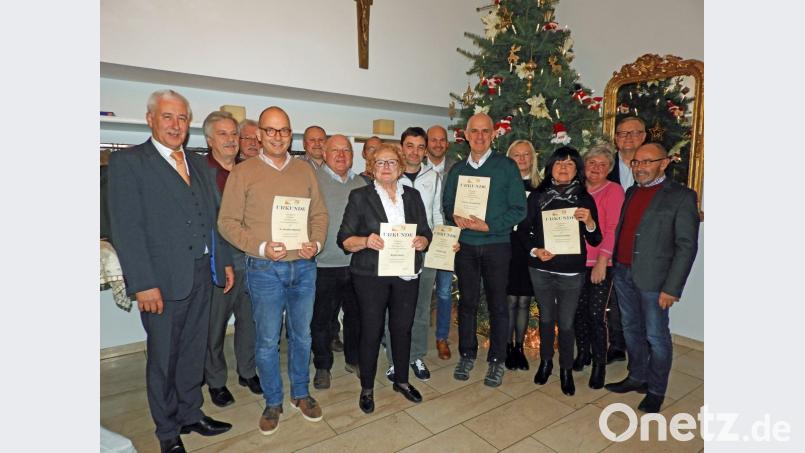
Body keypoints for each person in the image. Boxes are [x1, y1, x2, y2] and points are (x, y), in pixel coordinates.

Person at [108, 90, 234, 453]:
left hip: (201, 274)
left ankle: (191, 413)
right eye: (168, 117)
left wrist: (222, 260)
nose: (176, 125)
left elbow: (212, 218)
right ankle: (167, 432)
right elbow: (127, 229)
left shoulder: (196, 162)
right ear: (151, 119)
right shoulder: (129, 163)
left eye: (182, 118)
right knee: (164, 357)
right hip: (161, 282)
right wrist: (143, 284)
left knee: (194, 350)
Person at [218, 106, 329, 435]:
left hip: (304, 268)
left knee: (302, 335)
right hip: (265, 269)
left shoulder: (305, 171)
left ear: (289, 134)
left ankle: (300, 393)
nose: (278, 136)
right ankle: (273, 400)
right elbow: (226, 223)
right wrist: (262, 247)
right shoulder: (244, 172)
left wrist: (316, 244)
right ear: (260, 135)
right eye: (271, 130)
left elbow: (319, 215)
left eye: (284, 130)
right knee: (266, 341)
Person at [337, 143, 432, 414]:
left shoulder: (412, 196)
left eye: (392, 162)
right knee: (372, 329)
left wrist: (423, 240)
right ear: (372, 168)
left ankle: (401, 380)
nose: (387, 167)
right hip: (370, 275)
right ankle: (367, 387)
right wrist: (366, 240)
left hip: (406, 273)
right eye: (380, 163)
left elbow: (425, 231)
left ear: (401, 166)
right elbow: (344, 239)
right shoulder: (360, 196)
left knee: (402, 328)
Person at [604, 143, 699, 413]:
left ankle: (656, 390)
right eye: (636, 162)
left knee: (656, 336)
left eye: (647, 162)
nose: (640, 167)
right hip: (623, 271)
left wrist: (672, 288)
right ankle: (637, 376)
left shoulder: (682, 196)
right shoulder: (632, 192)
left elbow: (686, 246)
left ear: (664, 163)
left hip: (655, 281)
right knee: (631, 329)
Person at [442, 113, 527, 388]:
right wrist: (454, 216)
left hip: (496, 246)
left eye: (485, 131)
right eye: (474, 131)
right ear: (466, 135)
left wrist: (488, 225)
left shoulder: (506, 167)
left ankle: (497, 360)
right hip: (465, 247)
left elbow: (519, 209)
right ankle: (467, 353)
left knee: (497, 305)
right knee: (466, 303)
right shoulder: (457, 170)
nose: (479, 136)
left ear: (493, 135)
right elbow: (447, 205)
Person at [525, 146, 602, 397]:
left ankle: (566, 369)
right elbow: (524, 233)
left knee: (566, 323)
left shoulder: (583, 197)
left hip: (571, 272)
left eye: (570, 164)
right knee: (546, 318)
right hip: (541, 268)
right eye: (559, 163)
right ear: (550, 168)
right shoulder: (537, 196)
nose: (564, 168)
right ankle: (546, 362)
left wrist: (589, 222)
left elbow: (596, 238)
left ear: (576, 170)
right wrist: (536, 250)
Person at [201, 111, 261, 407]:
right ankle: (215, 380)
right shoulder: (198, 172)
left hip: (250, 258)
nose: (230, 140)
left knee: (250, 321)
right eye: (222, 134)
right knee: (215, 324)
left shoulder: (248, 171)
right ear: (209, 139)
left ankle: (247, 371)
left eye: (233, 134)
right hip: (217, 262)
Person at [383, 127, 445, 383]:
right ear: (401, 147)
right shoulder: (390, 176)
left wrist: (442, 244)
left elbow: (438, 215)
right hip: (395, 254)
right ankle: (393, 360)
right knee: (393, 309)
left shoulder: (434, 177)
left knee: (420, 308)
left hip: (425, 252)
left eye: (421, 146)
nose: (415, 152)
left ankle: (416, 355)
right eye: (410, 146)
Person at [310, 135, 367, 390]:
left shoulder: (362, 183)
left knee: (356, 316)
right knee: (321, 320)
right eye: (336, 150)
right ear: (324, 152)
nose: (342, 155)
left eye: (346, 150)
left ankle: (354, 360)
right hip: (323, 265)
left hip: (357, 265)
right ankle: (323, 366)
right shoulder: (312, 180)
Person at [572, 144, 625, 389]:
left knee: (596, 314)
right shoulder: (575, 189)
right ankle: (583, 353)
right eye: (592, 163)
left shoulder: (614, 191)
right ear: (585, 164)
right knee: (577, 313)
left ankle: (600, 365)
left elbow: (613, 229)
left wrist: (602, 262)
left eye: (603, 165)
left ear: (609, 169)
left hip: (600, 263)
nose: (597, 168)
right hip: (574, 261)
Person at [603, 116, 646, 363]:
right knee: (615, 298)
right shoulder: (606, 167)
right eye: (622, 134)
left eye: (634, 133)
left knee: (642, 298)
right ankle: (617, 346)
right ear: (616, 139)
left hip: (643, 246)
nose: (628, 138)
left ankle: (643, 348)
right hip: (613, 243)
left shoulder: (653, 167)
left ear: (643, 136)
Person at [503, 140, 541, 371]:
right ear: (509, 158)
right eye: (516, 155)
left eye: (526, 154)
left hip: (529, 248)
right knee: (509, 300)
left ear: (532, 158)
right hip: (506, 246)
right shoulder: (503, 185)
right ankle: (507, 347)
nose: (522, 159)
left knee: (524, 300)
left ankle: (519, 348)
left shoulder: (541, 187)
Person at [424, 125, 457, 360]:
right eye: (433, 140)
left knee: (445, 291)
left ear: (447, 143)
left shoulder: (457, 167)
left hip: (447, 237)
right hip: (422, 239)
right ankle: (416, 336)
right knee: (420, 291)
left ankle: (442, 337)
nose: (437, 144)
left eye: (441, 140)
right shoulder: (414, 165)